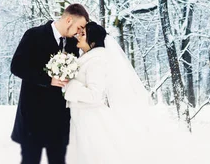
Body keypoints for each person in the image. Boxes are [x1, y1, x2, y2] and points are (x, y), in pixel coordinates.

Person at [11, 3, 89, 164]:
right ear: (69, 20)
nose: (80, 32)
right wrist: (48, 80)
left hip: (59, 120)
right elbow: (17, 66)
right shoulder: (33, 35)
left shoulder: (74, 45)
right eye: (79, 27)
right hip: (33, 117)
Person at [64, 22, 151, 164]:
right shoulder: (88, 58)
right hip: (81, 117)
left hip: (90, 120)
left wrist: (69, 85)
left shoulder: (96, 61)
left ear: (92, 42)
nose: (78, 35)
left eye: (83, 34)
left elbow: (94, 95)